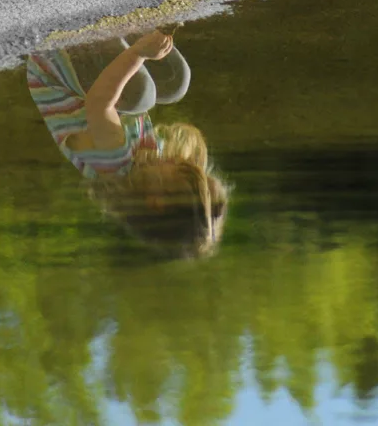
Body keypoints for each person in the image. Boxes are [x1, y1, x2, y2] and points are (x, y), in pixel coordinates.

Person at [27, 30, 228, 258]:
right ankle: (143, 28)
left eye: (182, 170)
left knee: (141, 95)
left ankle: (104, 30)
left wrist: (138, 54)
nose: (180, 158)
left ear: (157, 200)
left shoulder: (112, 163)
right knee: (176, 83)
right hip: (90, 77)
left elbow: (99, 103)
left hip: (54, 65)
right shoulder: (148, 160)